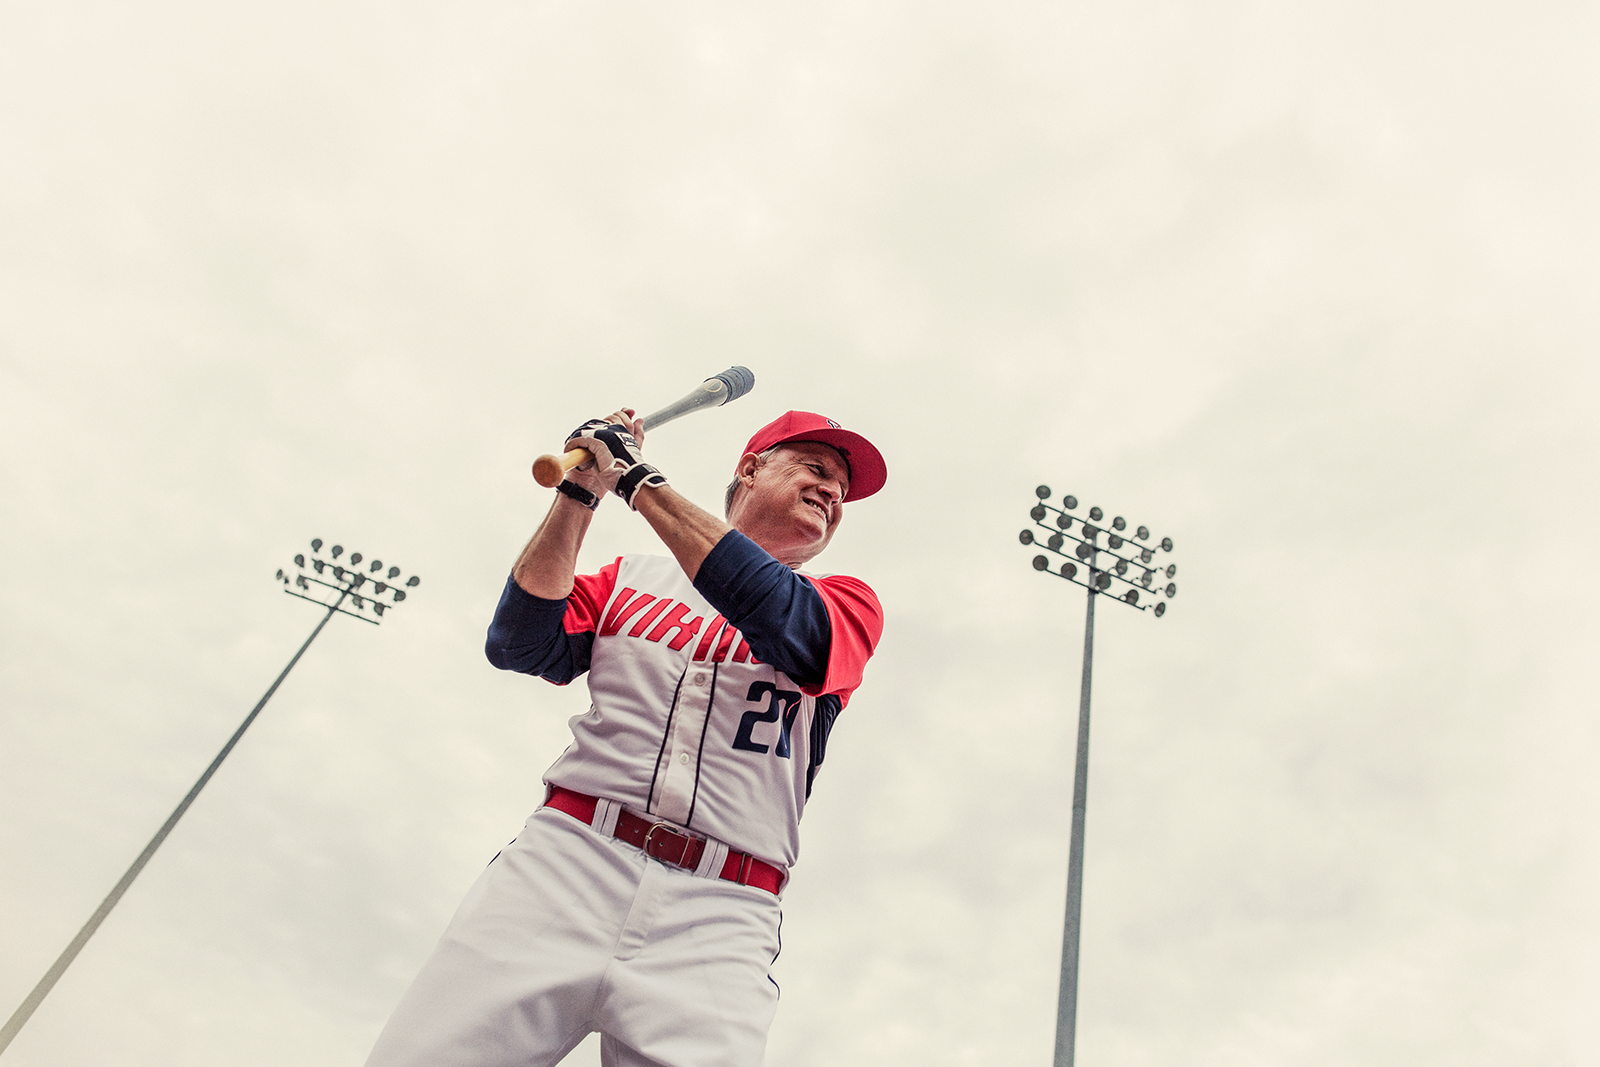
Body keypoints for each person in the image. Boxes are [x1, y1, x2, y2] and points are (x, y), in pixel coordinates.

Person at [365, 408, 887, 1067]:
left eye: (842, 488)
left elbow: (787, 623)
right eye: (818, 469)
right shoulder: (629, 577)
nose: (833, 491)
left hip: (719, 914)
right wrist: (582, 491)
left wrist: (636, 478)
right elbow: (521, 641)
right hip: (566, 865)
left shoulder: (846, 601)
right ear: (751, 469)